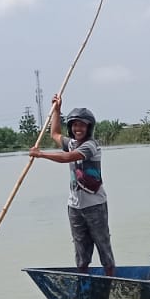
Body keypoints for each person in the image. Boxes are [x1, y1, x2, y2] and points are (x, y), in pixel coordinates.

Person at [28, 95, 114, 276]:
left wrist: (41, 154)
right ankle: (83, 280)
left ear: (88, 127)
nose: (78, 129)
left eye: (82, 125)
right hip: (74, 206)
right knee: (80, 249)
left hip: (95, 205)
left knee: (103, 245)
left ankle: (111, 279)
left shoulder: (91, 146)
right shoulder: (72, 142)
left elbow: (68, 157)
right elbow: (54, 134)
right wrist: (57, 110)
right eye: (75, 125)